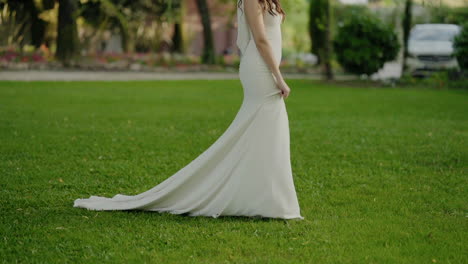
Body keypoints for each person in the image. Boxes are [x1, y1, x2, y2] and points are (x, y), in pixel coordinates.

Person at [74, 0, 304, 220]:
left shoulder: (270, 0)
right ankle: (269, 199)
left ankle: (265, 198)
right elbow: (261, 39)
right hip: (261, 70)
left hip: (266, 68)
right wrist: (278, 76)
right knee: (268, 128)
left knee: (266, 133)